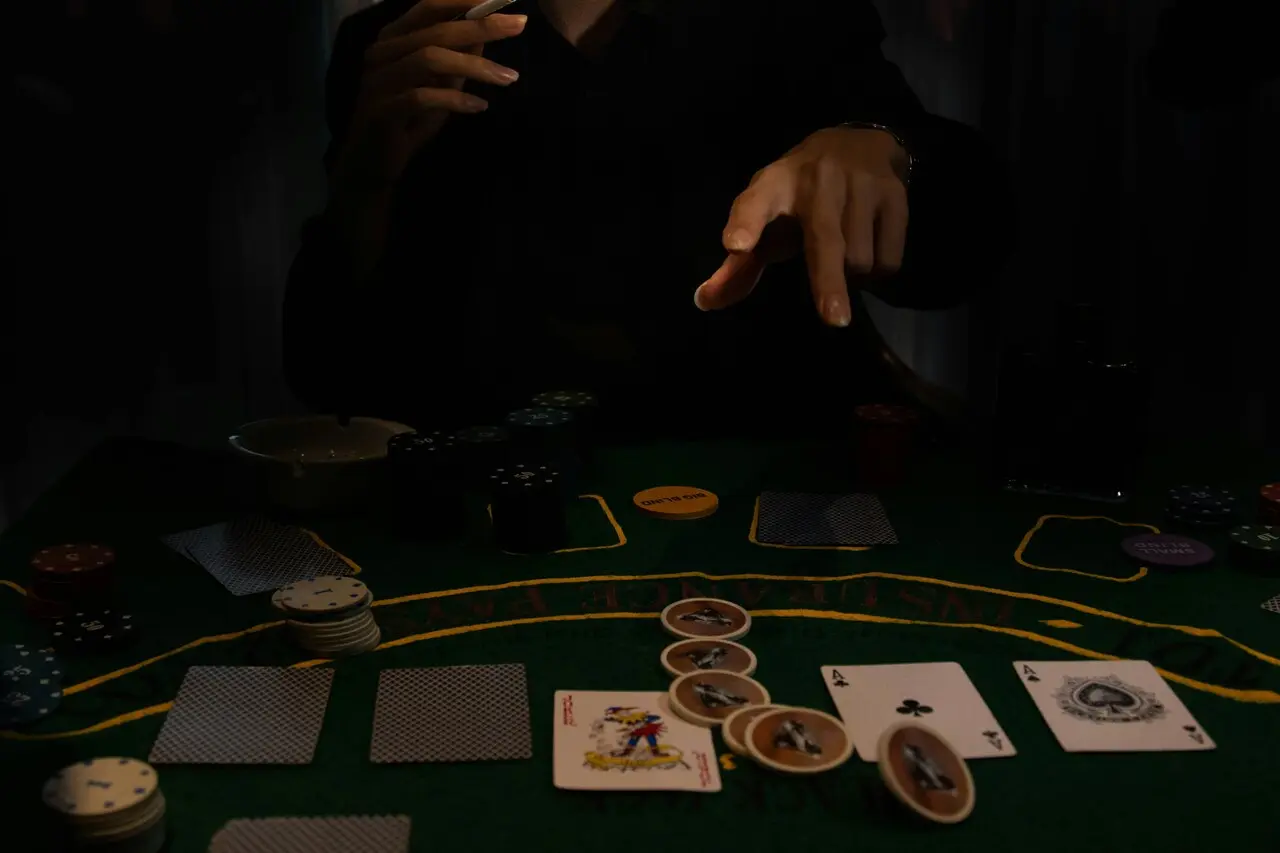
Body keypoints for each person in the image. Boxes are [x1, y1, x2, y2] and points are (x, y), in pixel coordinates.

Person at [284, 0, 1012, 436]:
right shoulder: (404, 42)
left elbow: (960, 252)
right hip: (488, 494)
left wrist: (887, 151)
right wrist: (365, 184)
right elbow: (330, 375)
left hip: (763, 471)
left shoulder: (790, 19)